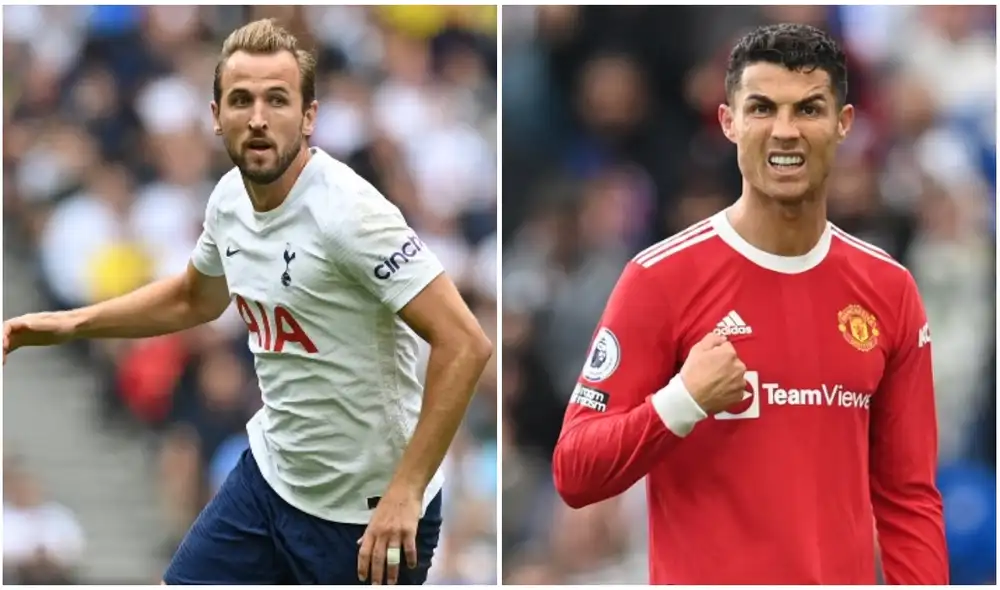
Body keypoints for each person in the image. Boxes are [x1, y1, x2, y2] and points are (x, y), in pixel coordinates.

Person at [3, 19, 493, 586]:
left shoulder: (351, 216)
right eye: (241, 100)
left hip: (368, 512)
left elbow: (466, 343)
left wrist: (407, 491)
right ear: (216, 116)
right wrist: (68, 324)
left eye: (277, 100)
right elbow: (195, 296)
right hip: (271, 481)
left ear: (309, 117)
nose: (258, 118)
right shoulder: (230, 199)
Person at [551, 23, 948, 585]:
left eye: (808, 110)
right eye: (762, 108)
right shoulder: (659, 279)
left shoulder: (889, 289)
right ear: (729, 123)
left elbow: (909, 498)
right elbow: (575, 471)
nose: (785, 131)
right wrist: (683, 400)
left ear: (844, 124)